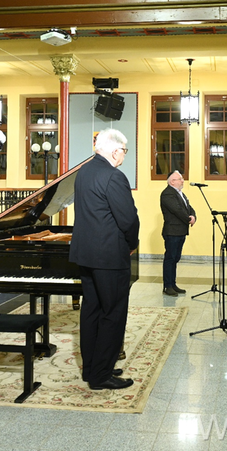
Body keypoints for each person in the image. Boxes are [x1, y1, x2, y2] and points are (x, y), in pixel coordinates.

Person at [69, 128, 139, 391]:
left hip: (86, 254)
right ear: (115, 150)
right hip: (109, 256)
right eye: (124, 151)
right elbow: (128, 219)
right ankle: (101, 375)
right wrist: (132, 244)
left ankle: (92, 368)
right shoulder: (114, 176)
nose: (124, 156)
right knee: (112, 314)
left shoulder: (84, 172)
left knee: (91, 311)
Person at [160, 171, 196, 296]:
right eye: (180, 179)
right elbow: (177, 210)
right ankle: (167, 286)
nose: (182, 180)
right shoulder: (167, 194)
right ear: (172, 182)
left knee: (175, 258)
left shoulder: (180, 193)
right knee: (170, 258)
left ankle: (173, 284)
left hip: (180, 231)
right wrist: (188, 219)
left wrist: (193, 216)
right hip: (172, 231)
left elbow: (188, 207)